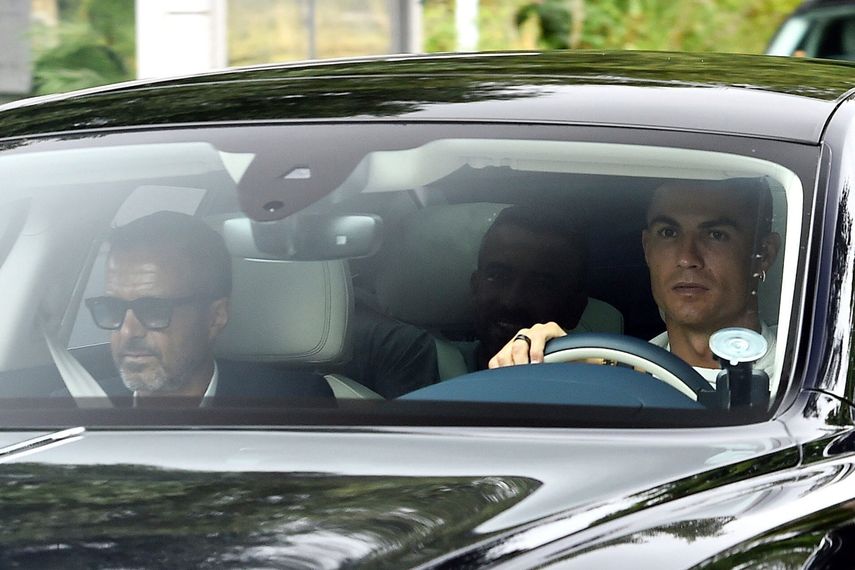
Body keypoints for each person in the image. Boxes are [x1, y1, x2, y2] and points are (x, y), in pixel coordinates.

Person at [489, 178, 781, 385]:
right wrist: (538, 360)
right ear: (647, 249)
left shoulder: (810, 379)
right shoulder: (611, 378)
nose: (687, 257)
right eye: (668, 233)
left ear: (763, 255)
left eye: (715, 235)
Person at [84, 211, 334, 406]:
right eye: (113, 307)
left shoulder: (292, 404)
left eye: (153, 309)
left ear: (216, 317)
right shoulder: (76, 405)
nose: (128, 331)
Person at [468, 205, 589, 371]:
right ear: (475, 286)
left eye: (540, 285)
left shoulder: (596, 386)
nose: (511, 301)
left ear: (574, 309)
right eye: (498, 276)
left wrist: (590, 364)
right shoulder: (426, 362)